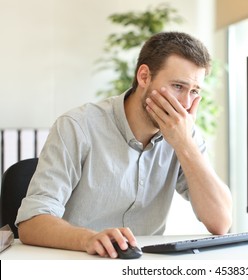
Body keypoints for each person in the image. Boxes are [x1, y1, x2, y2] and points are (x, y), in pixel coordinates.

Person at [16, 31, 232, 258]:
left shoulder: (184, 134)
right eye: (178, 86)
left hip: (142, 268)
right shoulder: (78, 126)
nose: (186, 104)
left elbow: (220, 222)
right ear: (144, 76)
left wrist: (185, 145)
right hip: (79, 263)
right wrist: (88, 238)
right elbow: (31, 223)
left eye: (194, 91)